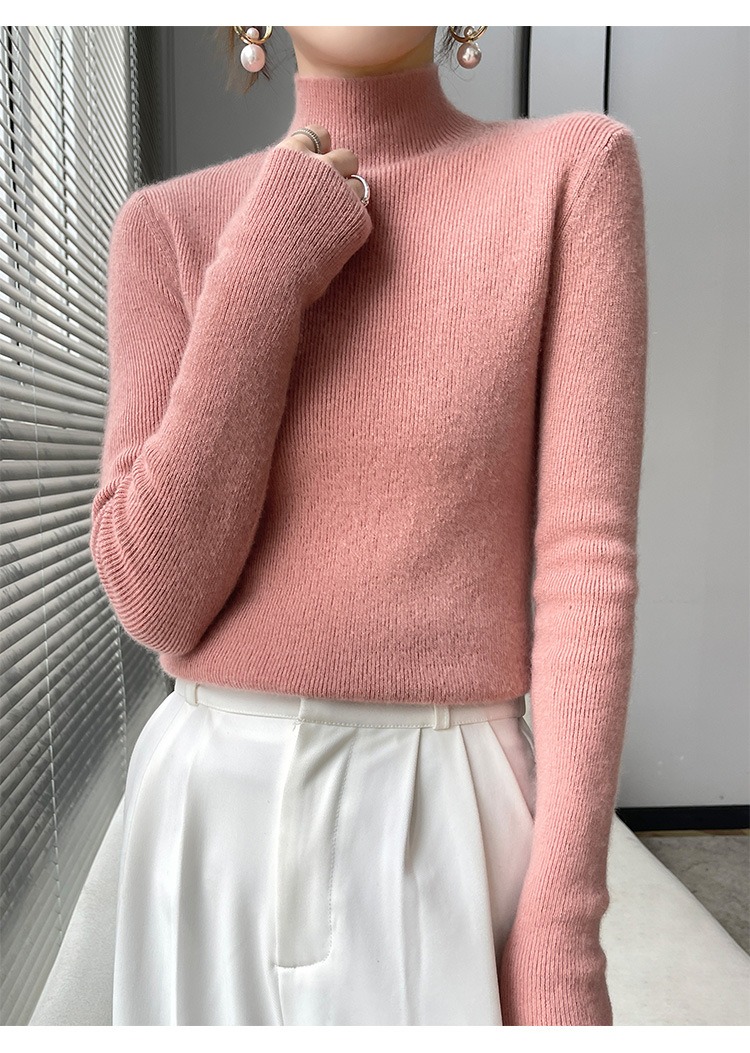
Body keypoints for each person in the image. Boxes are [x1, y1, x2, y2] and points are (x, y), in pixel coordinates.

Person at [90, 25, 648, 1026]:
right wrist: (262, 270)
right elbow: (156, 599)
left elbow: (587, 564)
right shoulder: (166, 227)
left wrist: (564, 926)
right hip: (206, 818)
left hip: (445, 809)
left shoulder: (572, 173)